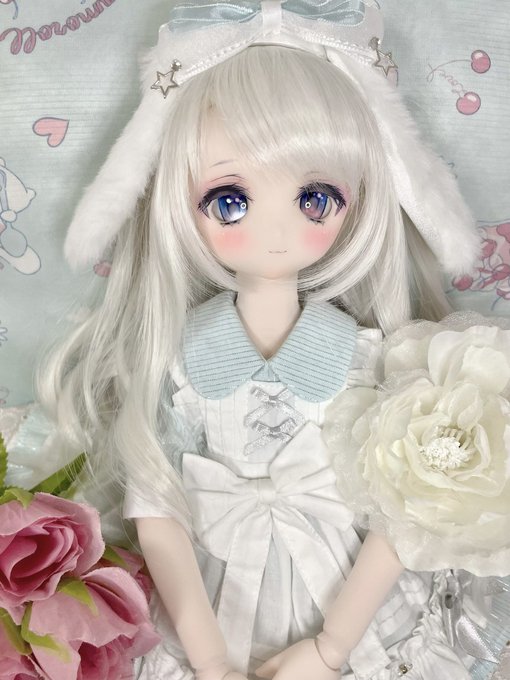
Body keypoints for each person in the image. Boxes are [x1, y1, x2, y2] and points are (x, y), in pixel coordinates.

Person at [39, 2, 483, 678]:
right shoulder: (182, 365)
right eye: (230, 201)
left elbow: (403, 511)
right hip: (215, 615)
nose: (275, 231)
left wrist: (333, 648)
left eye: (315, 199)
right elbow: (158, 515)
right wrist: (210, 659)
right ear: (181, 203)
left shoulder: (366, 360)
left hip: (357, 621)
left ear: (357, 201)